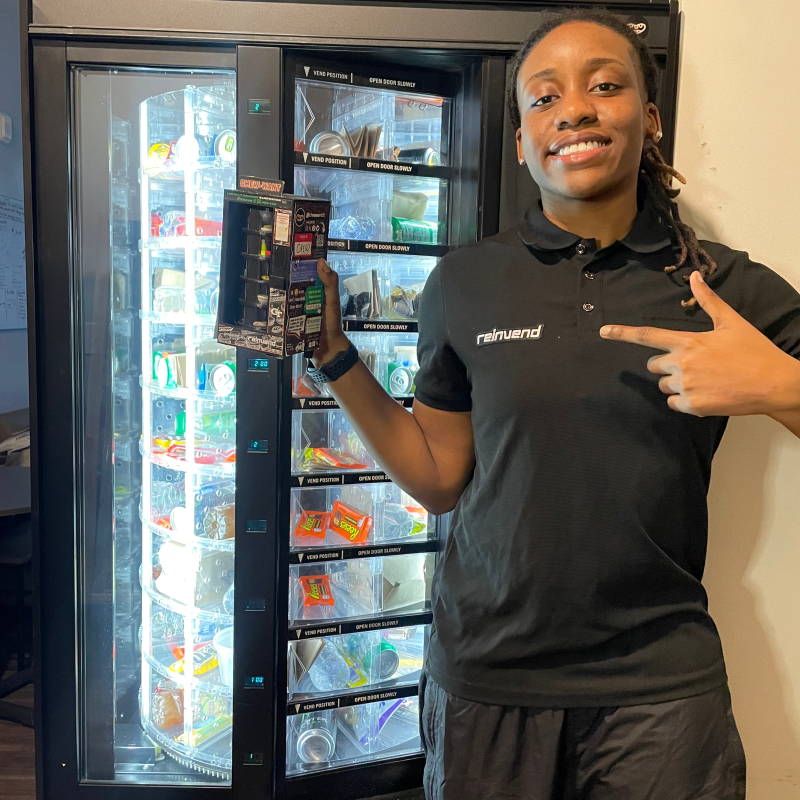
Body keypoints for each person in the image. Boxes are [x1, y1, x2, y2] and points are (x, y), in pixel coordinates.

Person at [309, 8, 800, 799]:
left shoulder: (719, 284)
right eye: (543, 98)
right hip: (488, 680)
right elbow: (438, 478)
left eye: (605, 86)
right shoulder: (464, 284)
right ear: (520, 141)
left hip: (661, 690)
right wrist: (334, 355)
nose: (573, 108)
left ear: (649, 117)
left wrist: (780, 384)